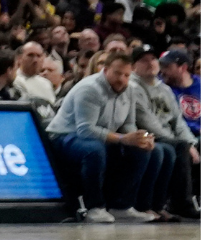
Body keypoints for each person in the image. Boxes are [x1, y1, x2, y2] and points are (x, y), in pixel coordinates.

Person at [48, 50, 154, 223]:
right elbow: (86, 130)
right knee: (94, 149)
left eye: (127, 75)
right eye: (117, 73)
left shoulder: (131, 90)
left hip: (101, 137)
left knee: (140, 149)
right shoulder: (90, 89)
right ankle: (94, 207)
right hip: (65, 136)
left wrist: (139, 138)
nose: (122, 79)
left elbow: (128, 124)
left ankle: (122, 206)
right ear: (105, 70)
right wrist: (122, 139)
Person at [128, 50, 197, 220]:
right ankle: (181, 204)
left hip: (169, 136)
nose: (151, 63)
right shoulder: (132, 87)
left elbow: (178, 121)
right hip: (147, 135)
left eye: (153, 59)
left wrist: (191, 142)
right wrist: (183, 144)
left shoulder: (163, 88)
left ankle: (186, 200)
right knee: (178, 148)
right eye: (144, 60)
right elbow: (148, 122)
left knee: (192, 145)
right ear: (134, 66)